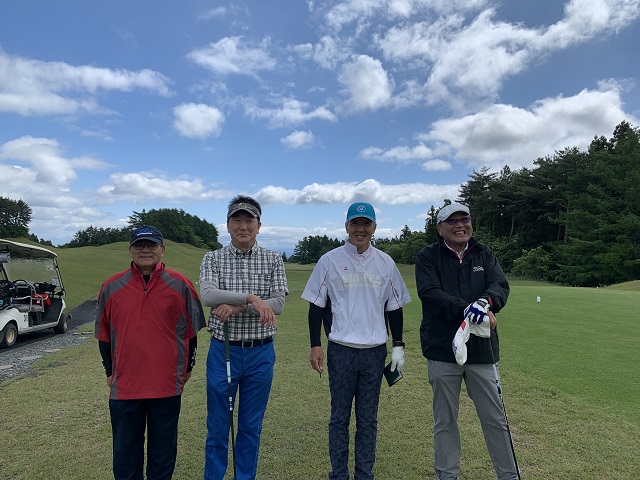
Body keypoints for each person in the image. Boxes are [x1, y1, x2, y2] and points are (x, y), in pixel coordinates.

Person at [302, 202, 412, 480]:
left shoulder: (386, 262)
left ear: (374, 227)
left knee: (368, 419)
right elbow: (316, 305)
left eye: (366, 224)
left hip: (374, 352)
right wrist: (315, 344)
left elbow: (394, 307)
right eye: (355, 223)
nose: (360, 229)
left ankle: (365, 474)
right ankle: (339, 474)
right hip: (341, 350)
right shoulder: (329, 260)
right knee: (339, 417)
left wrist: (398, 346)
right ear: (347, 226)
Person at [415, 203, 519, 480]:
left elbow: (500, 286)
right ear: (440, 228)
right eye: (452, 221)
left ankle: (509, 476)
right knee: (445, 421)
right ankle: (446, 476)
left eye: (465, 219)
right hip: (442, 349)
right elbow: (430, 293)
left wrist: (484, 302)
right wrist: (467, 309)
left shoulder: (484, 253)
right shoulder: (428, 256)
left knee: (495, 419)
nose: (460, 225)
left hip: (482, 351)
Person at [95, 225, 206, 480]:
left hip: (166, 384)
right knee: (125, 452)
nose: (145, 250)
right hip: (126, 386)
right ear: (130, 250)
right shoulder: (111, 286)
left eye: (152, 245)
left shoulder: (181, 285)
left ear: (162, 250)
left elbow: (191, 333)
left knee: (163, 452)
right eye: (139, 245)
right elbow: (104, 335)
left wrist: (188, 368)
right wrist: (109, 371)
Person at [200, 195, 288, 480]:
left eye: (249, 220)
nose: (243, 226)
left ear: (259, 225)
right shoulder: (213, 258)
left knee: (250, 426)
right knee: (218, 425)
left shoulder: (273, 259)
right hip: (223, 351)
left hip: (260, 354)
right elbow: (208, 295)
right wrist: (251, 298)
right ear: (227, 225)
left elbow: (278, 304)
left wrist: (238, 307)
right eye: (236, 220)